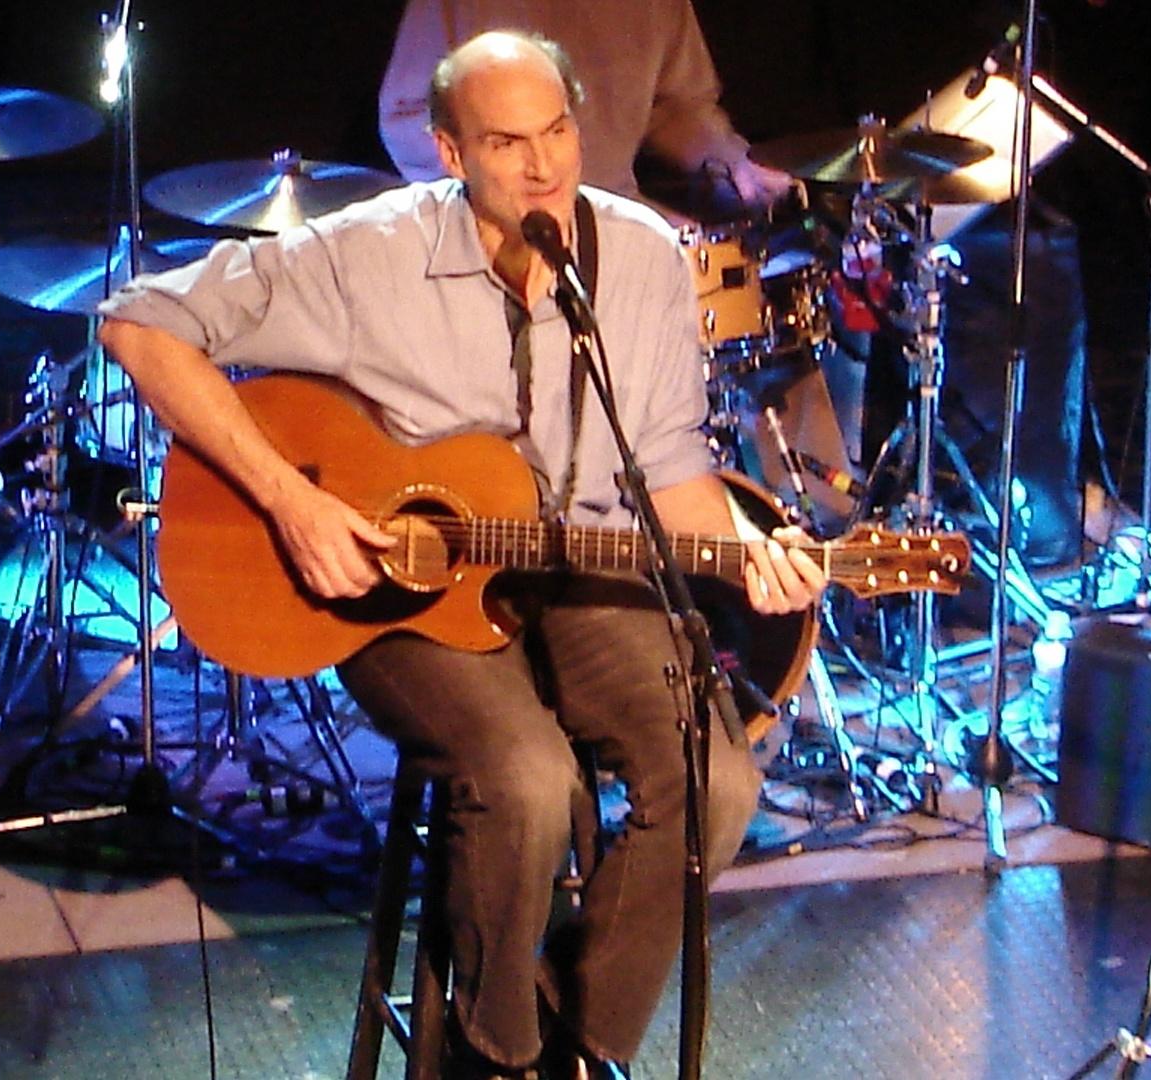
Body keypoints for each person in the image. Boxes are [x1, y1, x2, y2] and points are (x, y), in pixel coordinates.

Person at [100, 31, 827, 1078]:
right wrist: (291, 504)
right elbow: (140, 323)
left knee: (716, 779)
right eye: (506, 142)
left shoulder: (639, 259)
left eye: (558, 132)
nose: (543, 166)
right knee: (527, 782)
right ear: (448, 151)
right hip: (393, 585)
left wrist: (747, 546)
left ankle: (581, 1041)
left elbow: (665, 463)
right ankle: (495, 1051)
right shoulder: (366, 254)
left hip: (575, 570)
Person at [378, 0, 790, 215]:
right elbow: (407, 120)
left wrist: (731, 160)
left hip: (619, 215)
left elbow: (675, 108)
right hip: (507, 234)